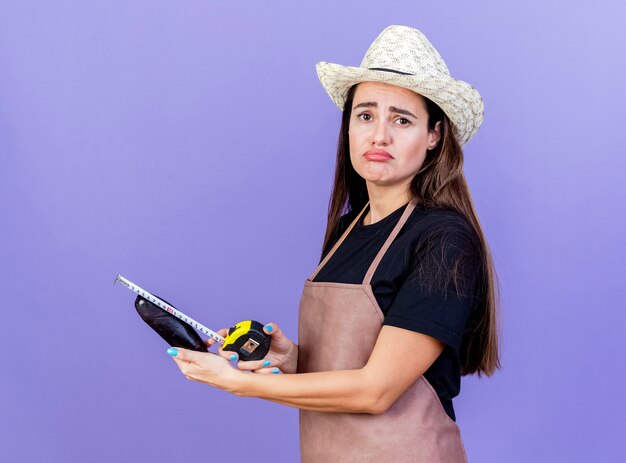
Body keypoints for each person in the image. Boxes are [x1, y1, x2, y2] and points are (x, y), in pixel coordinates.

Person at [167, 25, 500, 462]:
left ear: (435, 135)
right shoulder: (347, 229)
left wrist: (241, 383)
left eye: (402, 119)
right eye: (365, 115)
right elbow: (349, 369)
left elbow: (377, 390)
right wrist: (292, 359)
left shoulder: (444, 240)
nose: (379, 135)